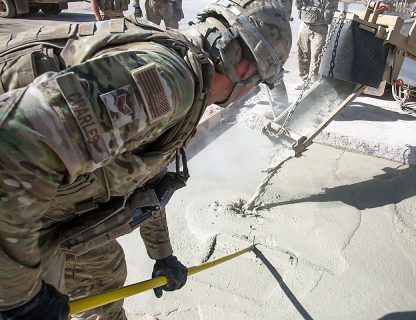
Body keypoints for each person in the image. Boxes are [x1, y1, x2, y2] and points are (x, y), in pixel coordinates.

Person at [0, 1, 292, 319]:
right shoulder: (169, 83)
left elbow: (144, 179)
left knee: (104, 273)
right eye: (258, 83)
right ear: (245, 69)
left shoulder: (189, 77)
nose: (251, 92)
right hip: (16, 210)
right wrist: (20, 301)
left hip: (41, 202)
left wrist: (162, 254)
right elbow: (14, 147)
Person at [295, 0, 338, 90]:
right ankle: (305, 80)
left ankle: (314, 82)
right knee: (303, 54)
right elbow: (298, 5)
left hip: (320, 27)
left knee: (316, 56)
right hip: (305, 25)